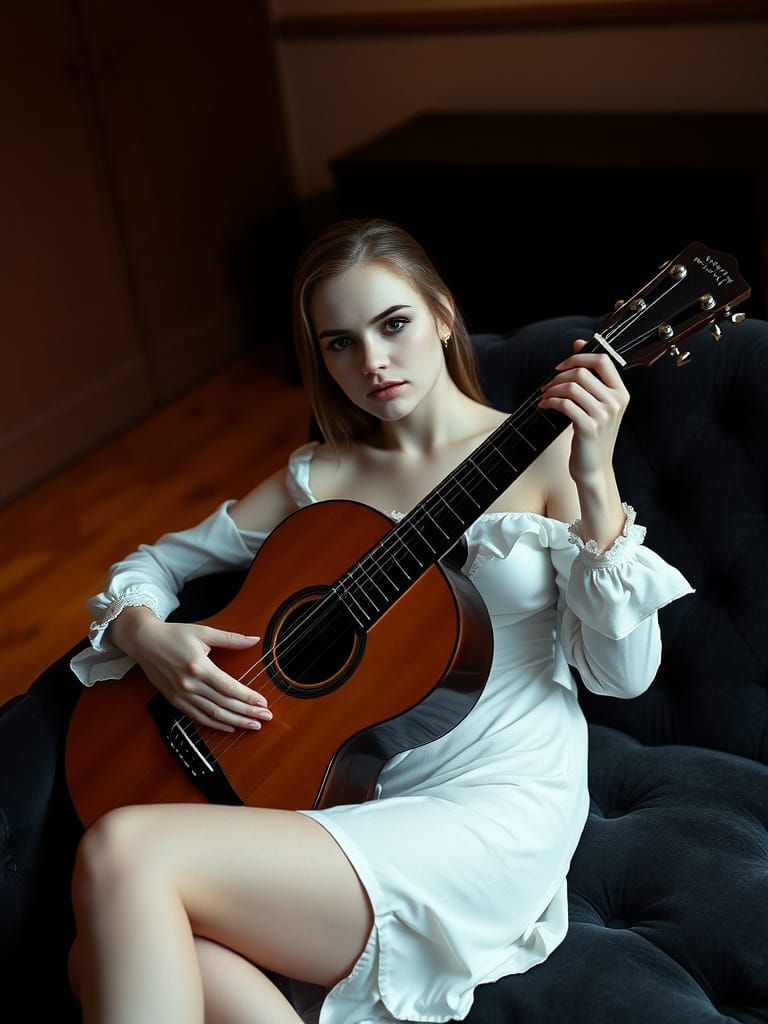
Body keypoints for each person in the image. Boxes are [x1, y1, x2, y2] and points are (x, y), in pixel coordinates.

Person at [66, 217, 693, 1024]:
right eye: (339, 344)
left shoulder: (544, 460)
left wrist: (596, 479)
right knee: (99, 956)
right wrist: (147, 638)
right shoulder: (322, 477)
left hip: (493, 810)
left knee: (123, 851)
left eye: (393, 325)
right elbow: (149, 566)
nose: (372, 363)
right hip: (348, 797)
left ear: (440, 313)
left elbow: (624, 675)